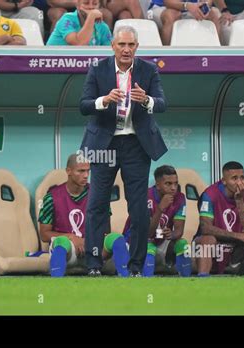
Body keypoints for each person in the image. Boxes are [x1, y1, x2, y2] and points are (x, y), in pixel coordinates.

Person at [80, 25, 167, 277]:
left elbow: (162, 103)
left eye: (131, 45)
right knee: (97, 204)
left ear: (136, 47)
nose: (126, 49)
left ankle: (136, 267)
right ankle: (94, 265)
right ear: (113, 46)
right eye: (122, 45)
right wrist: (104, 100)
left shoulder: (149, 70)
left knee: (139, 208)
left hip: (135, 145)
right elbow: (83, 105)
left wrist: (146, 100)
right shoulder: (98, 69)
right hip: (104, 144)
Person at [39, 154, 130, 277]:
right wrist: (71, 237)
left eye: (88, 171)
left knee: (116, 239)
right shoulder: (51, 197)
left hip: (94, 249)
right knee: (61, 243)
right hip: (69, 250)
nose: (86, 175)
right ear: (68, 171)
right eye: (81, 171)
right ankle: (56, 281)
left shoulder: (99, 195)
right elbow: (44, 234)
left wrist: (90, 240)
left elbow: (105, 230)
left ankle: (126, 279)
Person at [195, 161, 244, 276]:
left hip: (237, 246)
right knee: (207, 240)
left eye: (242, 178)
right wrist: (240, 236)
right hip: (215, 243)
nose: (239, 182)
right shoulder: (210, 194)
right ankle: (203, 282)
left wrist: (239, 201)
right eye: (234, 178)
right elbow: (206, 228)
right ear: (224, 181)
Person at [123, 165, 192, 277]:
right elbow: (148, 233)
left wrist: (171, 234)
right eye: (168, 184)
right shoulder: (144, 196)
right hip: (136, 242)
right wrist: (160, 208)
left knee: (182, 244)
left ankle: (188, 283)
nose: (174, 188)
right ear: (158, 185)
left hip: (159, 239)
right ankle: (146, 283)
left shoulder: (180, 198)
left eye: (175, 183)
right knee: (148, 246)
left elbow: (179, 231)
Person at [46, 0, 112, 46]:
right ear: (77, 4)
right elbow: (79, 44)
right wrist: (91, 17)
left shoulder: (102, 27)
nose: (91, 7)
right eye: (86, 3)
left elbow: (110, 52)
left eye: (95, 4)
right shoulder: (66, 19)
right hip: (53, 63)